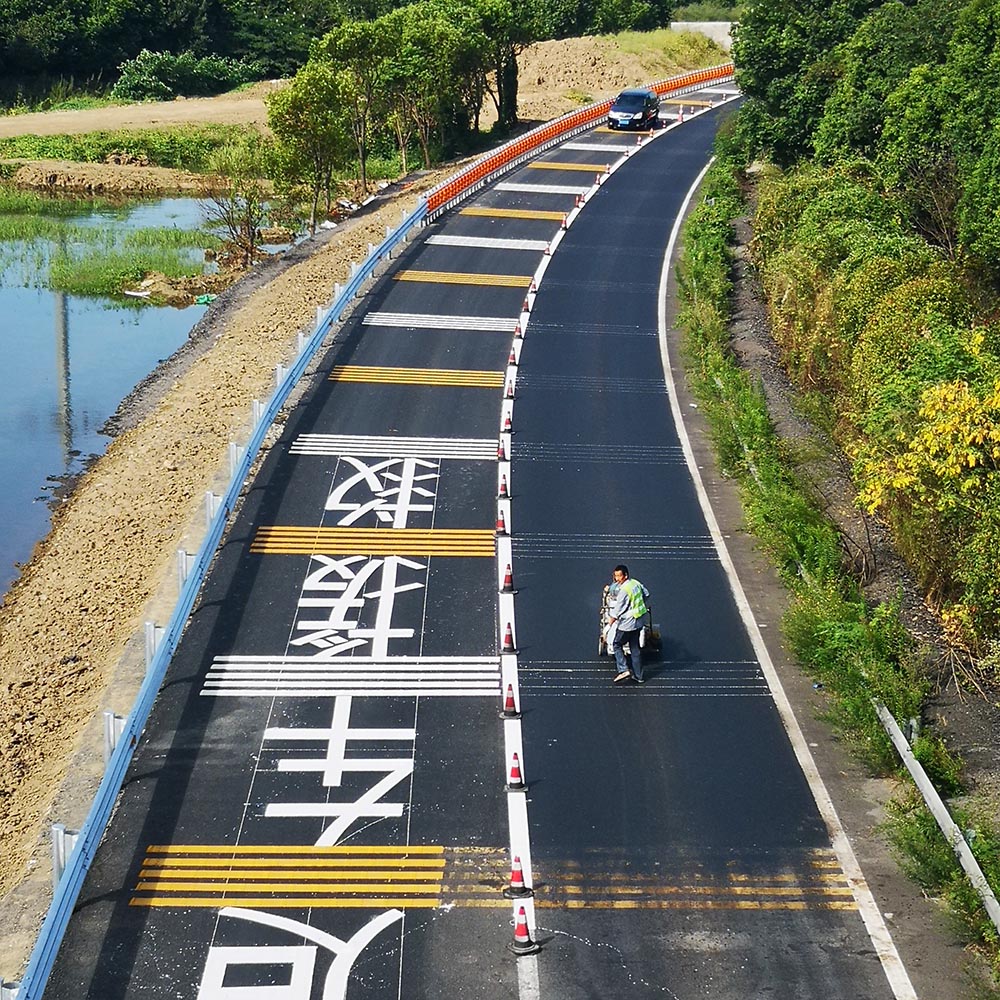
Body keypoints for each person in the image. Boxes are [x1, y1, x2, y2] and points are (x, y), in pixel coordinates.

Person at [608, 564, 649, 684]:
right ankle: (639, 676)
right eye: (615, 576)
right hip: (638, 621)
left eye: (619, 576)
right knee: (635, 649)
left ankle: (623, 669)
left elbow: (619, 608)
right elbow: (646, 594)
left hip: (627, 624)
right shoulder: (636, 583)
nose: (617, 579)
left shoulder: (624, 591)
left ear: (625, 575)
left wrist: (612, 619)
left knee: (616, 644)